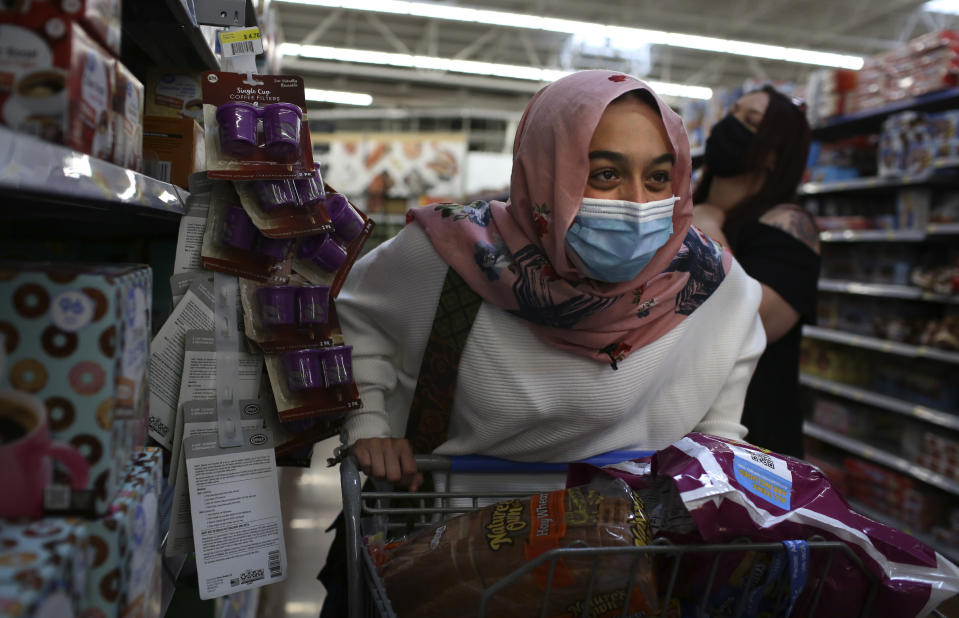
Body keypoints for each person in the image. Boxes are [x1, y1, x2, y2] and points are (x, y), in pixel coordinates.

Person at [336, 69, 766, 487]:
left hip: (637, 549)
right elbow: (351, 320)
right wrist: (367, 421)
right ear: (544, 172)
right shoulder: (451, 252)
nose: (638, 203)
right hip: (454, 536)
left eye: (658, 178)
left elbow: (717, 440)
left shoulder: (714, 287)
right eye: (605, 174)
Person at [692, 85, 819, 458]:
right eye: (732, 115)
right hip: (670, 422)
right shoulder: (680, 209)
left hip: (750, 438)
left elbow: (756, 318)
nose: (730, 127)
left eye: (749, 122)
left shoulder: (789, 225)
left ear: (775, 155)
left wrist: (707, 227)